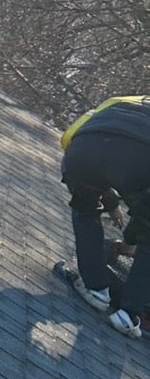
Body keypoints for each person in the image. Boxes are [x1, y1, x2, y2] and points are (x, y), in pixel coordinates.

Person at [60, 96, 150, 338]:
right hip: (141, 164)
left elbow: (70, 138)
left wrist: (108, 202)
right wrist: (135, 240)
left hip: (82, 150)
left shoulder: (122, 100)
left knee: (85, 211)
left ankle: (96, 288)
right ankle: (129, 314)